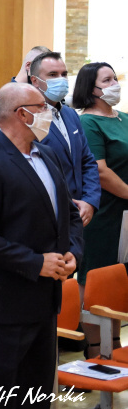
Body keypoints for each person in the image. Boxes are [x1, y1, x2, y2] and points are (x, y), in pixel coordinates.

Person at [0, 83, 82, 409]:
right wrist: (35, 262)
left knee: (35, 400)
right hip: (4, 301)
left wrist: (73, 252)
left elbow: (70, 214)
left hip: (44, 299)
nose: (49, 112)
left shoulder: (47, 154)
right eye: (42, 106)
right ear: (22, 114)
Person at [28, 52, 100, 227]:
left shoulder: (70, 114)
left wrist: (90, 201)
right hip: (47, 215)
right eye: (53, 74)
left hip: (79, 212)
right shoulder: (29, 117)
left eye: (64, 74)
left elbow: (87, 160)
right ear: (35, 81)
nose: (61, 79)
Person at [73, 62, 128, 291]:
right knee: (98, 280)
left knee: (121, 282)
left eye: (114, 78)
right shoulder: (88, 122)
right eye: (107, 80)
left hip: (125, 212)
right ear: (90, 88)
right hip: (105, 211)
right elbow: (100, 171)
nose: (115, 84)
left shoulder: (123, 117)